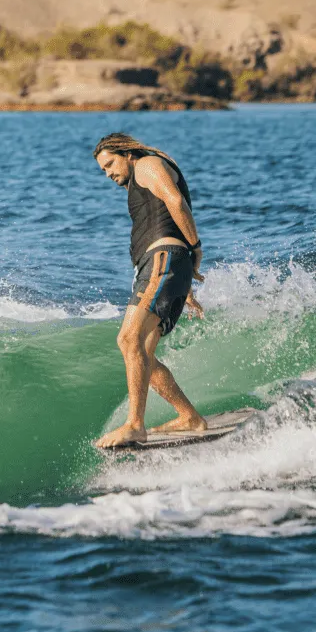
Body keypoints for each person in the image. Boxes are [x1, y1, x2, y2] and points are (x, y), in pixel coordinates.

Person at [92, 133, 206, 448]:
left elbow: (175, 201)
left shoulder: (146, 164)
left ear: (127, 153)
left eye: (110, 164)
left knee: (128, 339)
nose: (107, 173)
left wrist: (195, 248)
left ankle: (135, 425)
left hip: (163, 258)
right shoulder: (141, 175)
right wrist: (183, 279)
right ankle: (189, 417)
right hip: (164, 266)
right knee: (143, 352)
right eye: (102, 170)